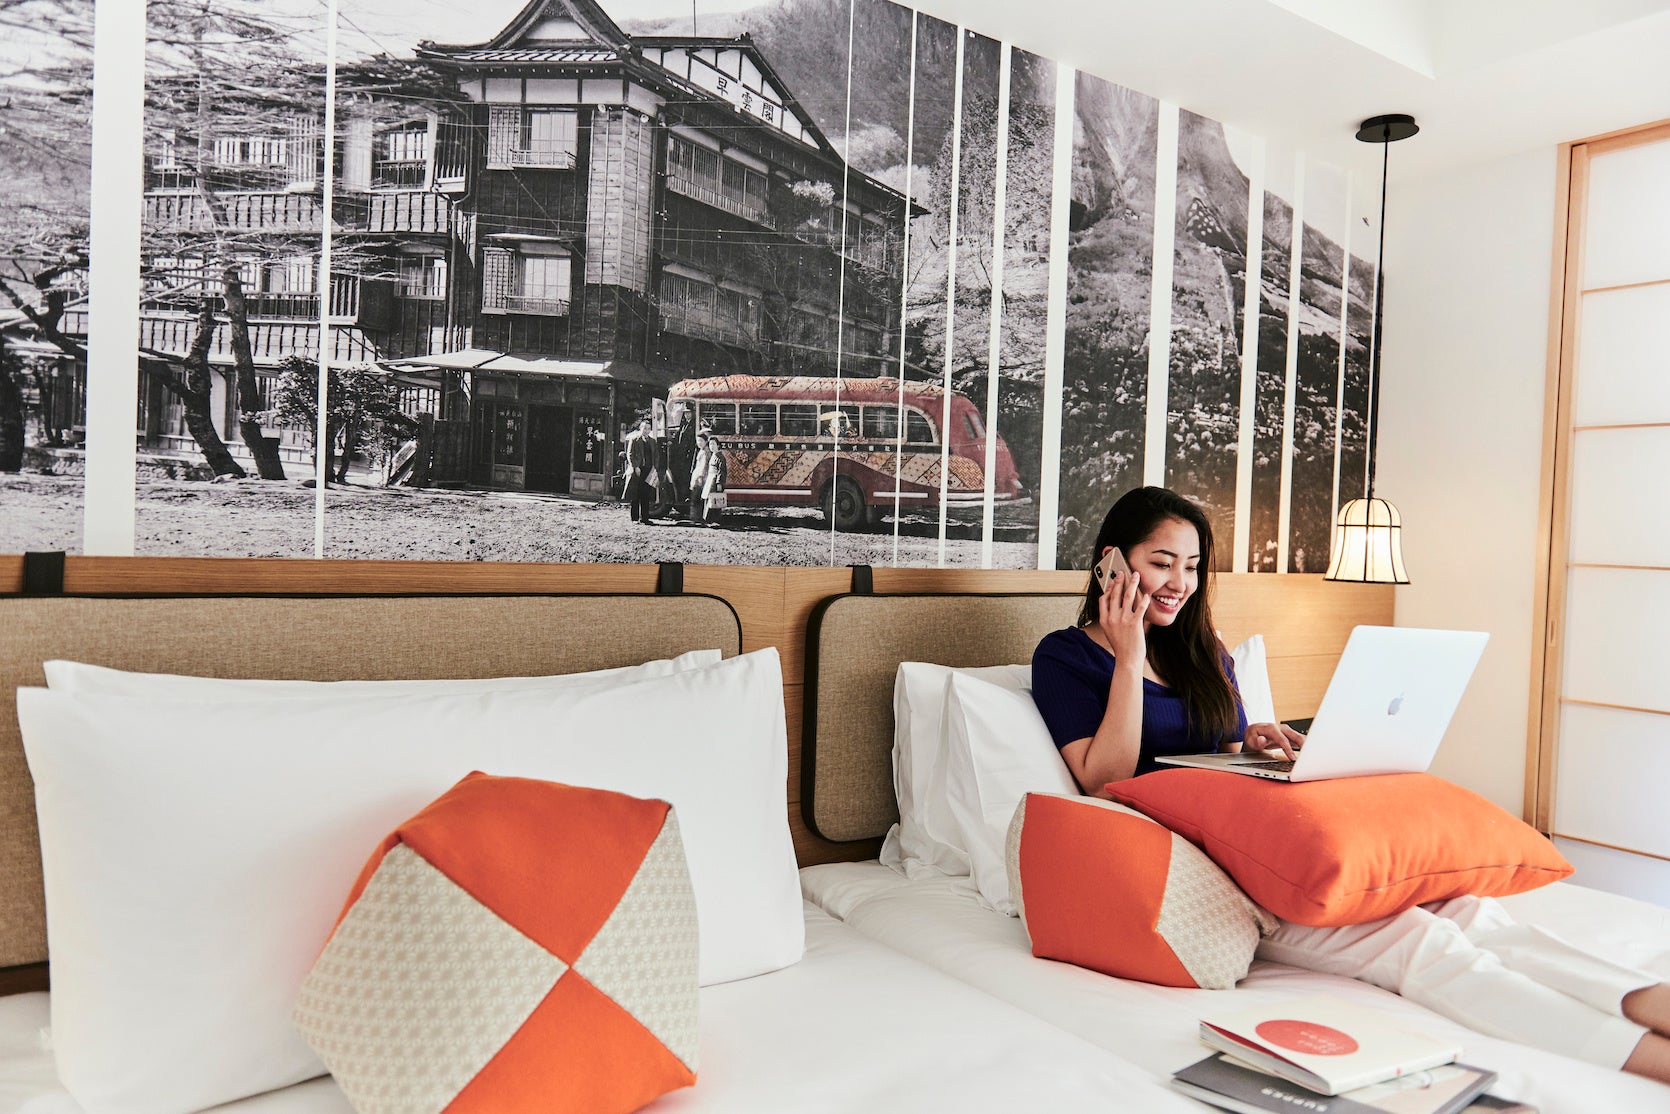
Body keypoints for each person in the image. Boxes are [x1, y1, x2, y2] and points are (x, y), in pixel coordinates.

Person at [1030, 485, 1670, 1083]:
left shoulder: (1203, 651)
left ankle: (1650, 1000)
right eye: (1161, 563)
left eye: (1192, 567)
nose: (1180, 584)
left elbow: (1211, 757)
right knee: (1417, 943)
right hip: (1207, 872)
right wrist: (1130, 655)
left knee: (1469, 913)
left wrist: (1250, 742)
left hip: (1260, 838)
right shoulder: (1064, 655)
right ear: (1112, 562)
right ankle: (1644, 1058)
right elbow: (1104, 779)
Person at [624, 416, 658, 525]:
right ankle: (634, 518)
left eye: (648, 429)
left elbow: (656, 456)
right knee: (635, 495)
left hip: (649, 470)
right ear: (640, 428)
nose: (646, 431)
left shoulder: (652, 441)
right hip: (637, 470)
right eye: (644, 428)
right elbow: (630, 454)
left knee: (646, 495)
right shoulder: (634, 440)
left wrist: (654, 468)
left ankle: (645, 518)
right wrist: (635, 467)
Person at [689, 427, 725, 527]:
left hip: (703, 479)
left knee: (701, 499)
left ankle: (699, 518)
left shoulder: (707, 453)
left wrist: (700, 478)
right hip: (705, 478)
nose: (699, 443)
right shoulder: (707, 452)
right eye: (698, 441)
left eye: (701, 441)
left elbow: (705, 467)